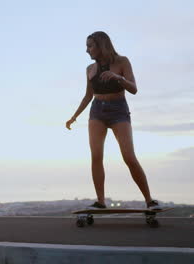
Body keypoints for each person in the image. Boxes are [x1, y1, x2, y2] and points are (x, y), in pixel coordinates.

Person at [66, 31, 161, 210]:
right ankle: (101, 202)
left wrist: (118, 78)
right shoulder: (89, 69)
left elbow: (133, 89)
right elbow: (88, 96)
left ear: (101, 45)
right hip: (97, 112)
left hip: (118, 110)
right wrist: (74, 116)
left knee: (129, 157)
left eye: (90, 46)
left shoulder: (122, 62)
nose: (87, 50)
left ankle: (149, 201)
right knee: (96, 157)